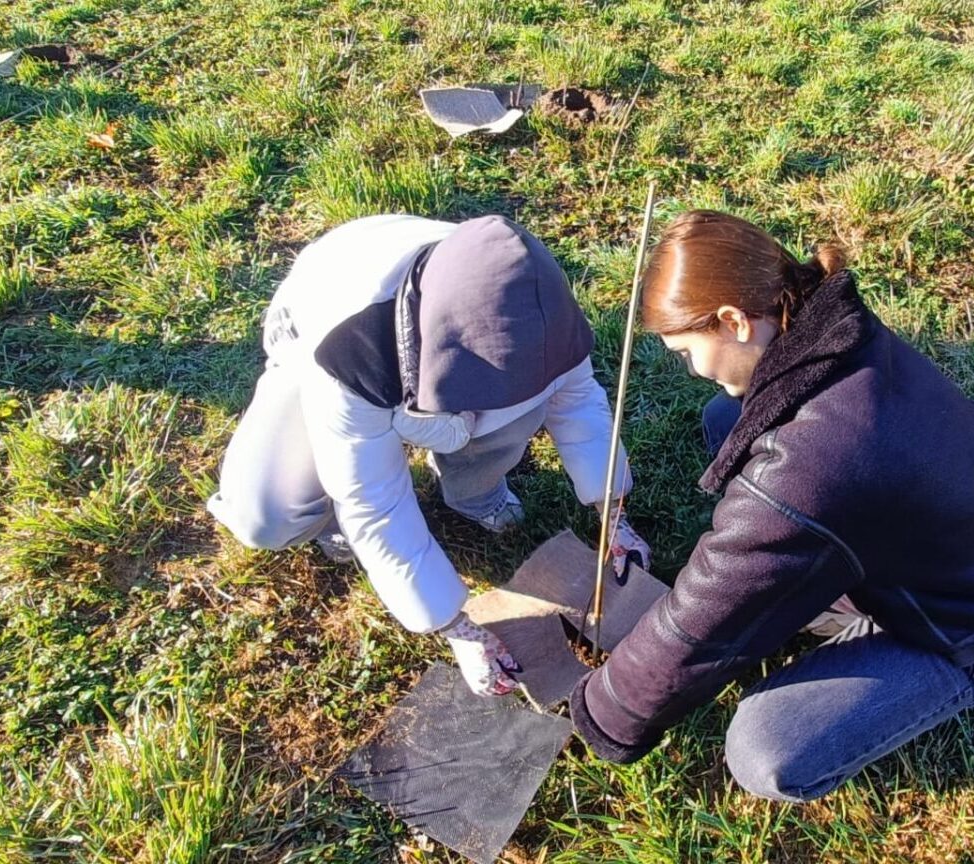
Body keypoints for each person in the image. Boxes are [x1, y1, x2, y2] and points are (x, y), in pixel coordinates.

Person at [569, 211, 974, 801]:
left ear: (733, 321)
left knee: (764, 751)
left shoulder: (811, 468)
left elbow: (702, 622)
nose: (689, 368)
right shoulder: (836, 329)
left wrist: (602, 713)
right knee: (727, 416)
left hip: (965, 624)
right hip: (960, 544)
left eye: (686, 350)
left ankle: (926, 660)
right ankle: (835, 589)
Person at [209, 214, 650, 697]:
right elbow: (373, 501)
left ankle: (475, 490)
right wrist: (453, 624)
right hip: (313, 327)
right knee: (266, 516)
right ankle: (325, 518)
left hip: (438, 354)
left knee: (520, 411)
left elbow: (579, 405)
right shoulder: (351, 350)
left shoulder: (543, 310)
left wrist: (613, 510)